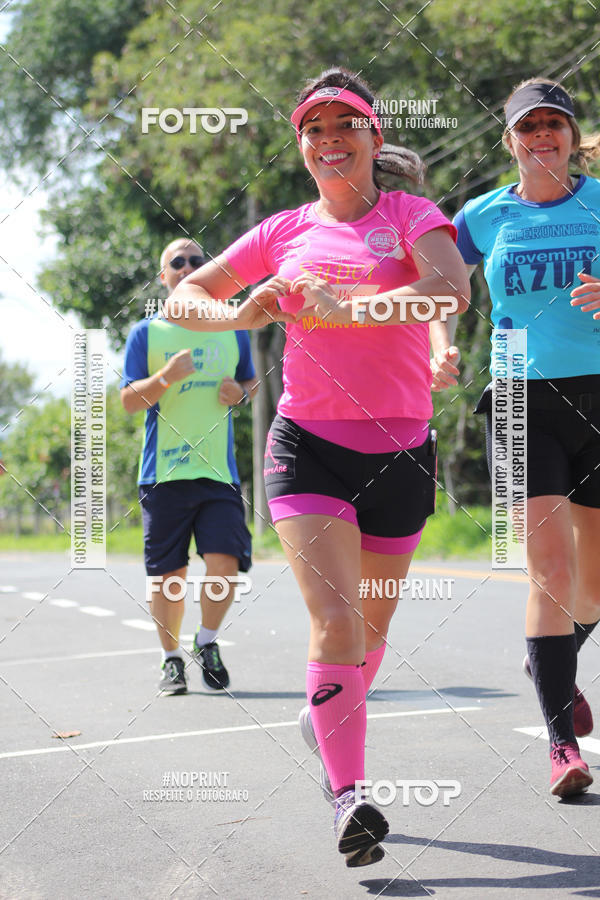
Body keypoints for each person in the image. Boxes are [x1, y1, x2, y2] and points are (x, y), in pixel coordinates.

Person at [164, 68, 470, 866]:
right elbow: (181, 301)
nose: (329, 140)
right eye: (314, 130)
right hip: (309, 446)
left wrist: (357, 306)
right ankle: (350, 797)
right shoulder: (281, 231)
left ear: (373, 136)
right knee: (335, 621)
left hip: (402, 446)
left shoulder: (410, 215)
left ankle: (329, 709)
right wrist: (243, 308)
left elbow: (450, 290)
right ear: (301, 145)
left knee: (371, 630)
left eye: (346, 125)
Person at [438, 78, 600, 798]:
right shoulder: (482, 215)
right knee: (551, 574)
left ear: (571, 135)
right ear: (509, 139)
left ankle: (548, 661)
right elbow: (441, 282)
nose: (542, 135)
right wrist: (439, 341)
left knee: (594, 585)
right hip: (519, 395)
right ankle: (561, 744)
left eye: (554, 124)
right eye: (527, 125)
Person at [120, 238, 257, 694]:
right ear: (165, 278)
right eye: (176, 263)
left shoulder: (233, 327)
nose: (187, 267)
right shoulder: (147, 334)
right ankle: (171, 659)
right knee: (168, 578)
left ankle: (208, 642)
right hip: (164, 475)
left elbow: (250, 383)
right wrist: (164, 378)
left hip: (219, 473)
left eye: (197, 261)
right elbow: (127, 402)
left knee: (225, 564)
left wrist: (242, 394)